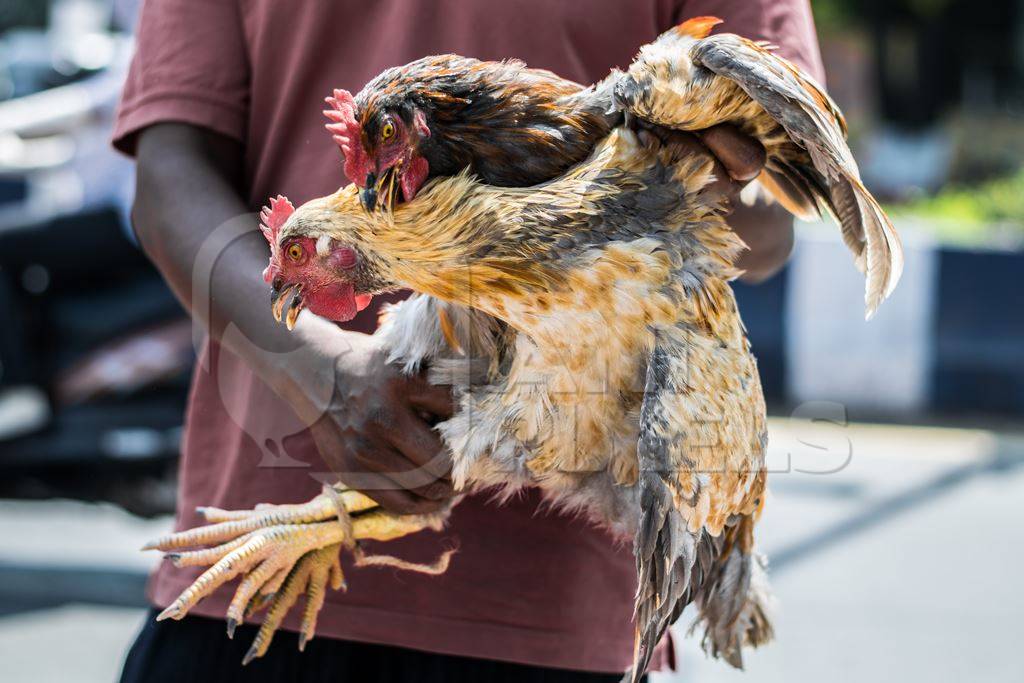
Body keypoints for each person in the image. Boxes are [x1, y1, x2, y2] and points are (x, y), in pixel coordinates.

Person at [114, 1, 824, 681]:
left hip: (553, 610)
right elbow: (168, 176)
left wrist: (674, 178)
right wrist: (315, 372)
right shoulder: (399, 242)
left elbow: (773, 216)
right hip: (250, 581)